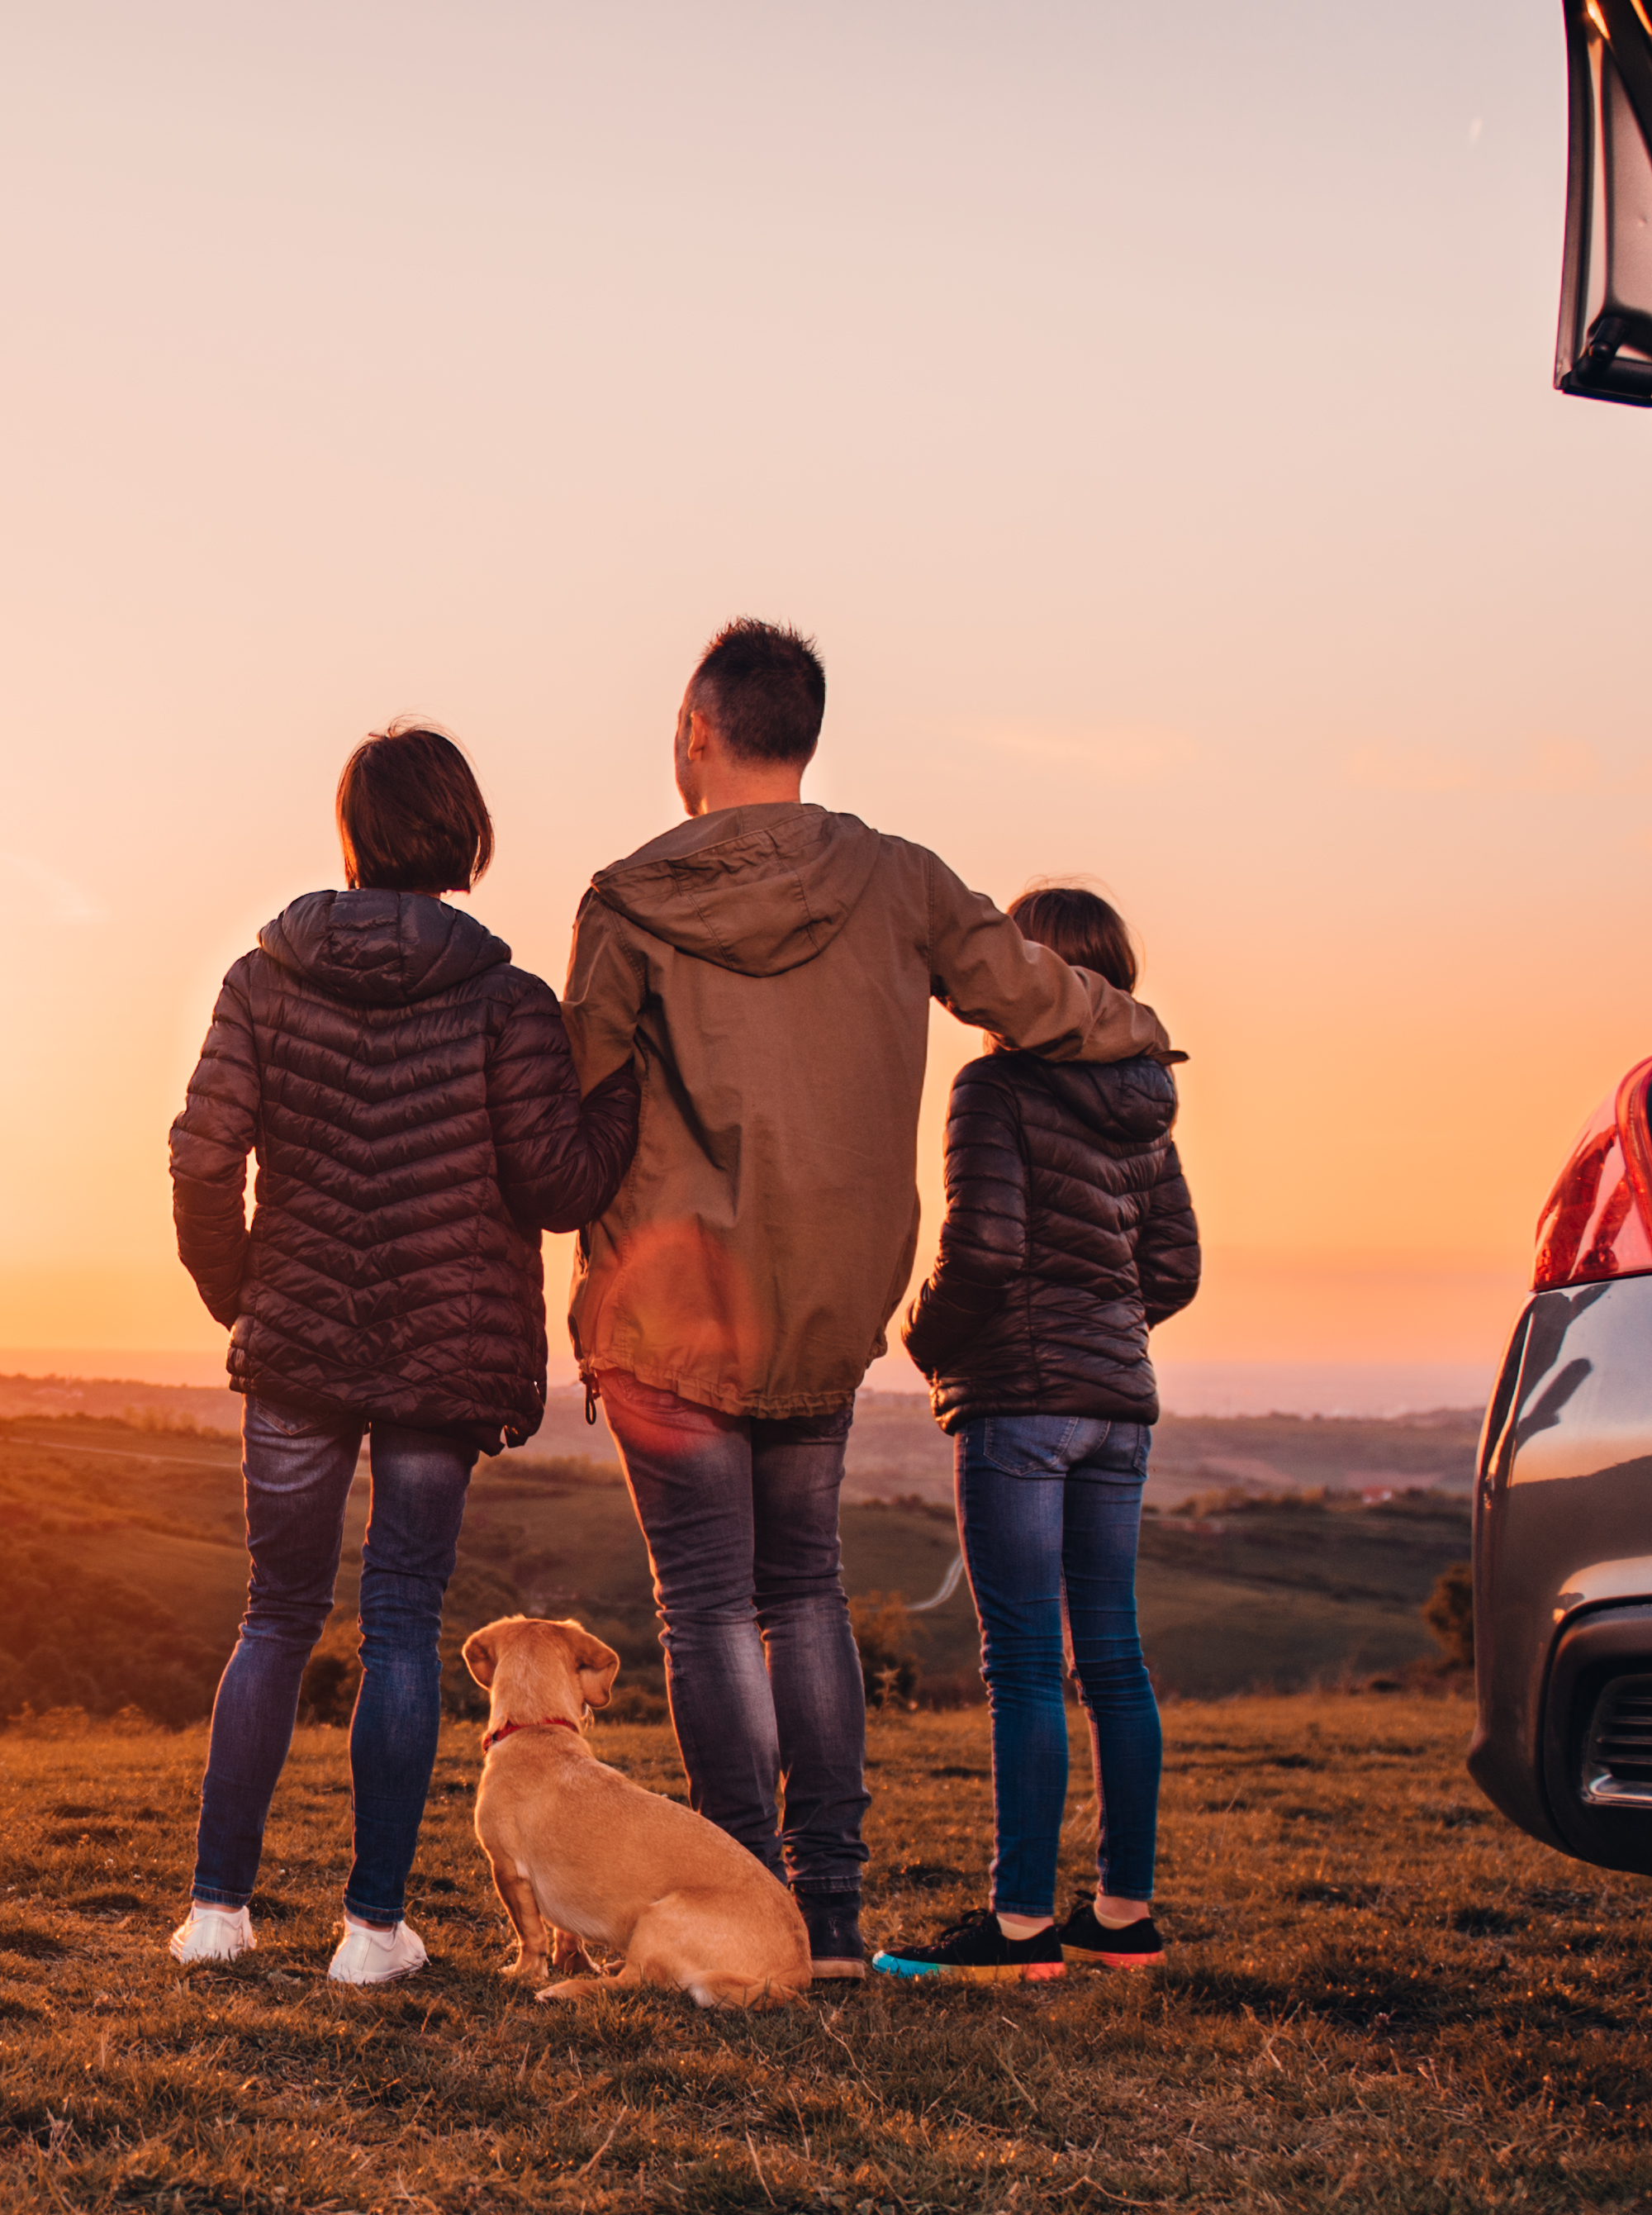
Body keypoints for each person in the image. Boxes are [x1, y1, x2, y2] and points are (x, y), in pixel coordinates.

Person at [560, 620, 1170, 1979]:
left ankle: (743, 1900)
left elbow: (576, 1114)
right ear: (807, 732)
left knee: (709, 1608)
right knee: (805, 1593)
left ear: (696, 731)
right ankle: (830, 1918)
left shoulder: (629, 901)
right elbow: (1036, 997)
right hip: (832, 1306)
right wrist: (1141, 1033)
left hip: (670, 1314)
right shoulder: (903, 881)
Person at [165, 722, 643, 1984]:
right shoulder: (507, 1001)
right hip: (444, 1354)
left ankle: (217, 1913)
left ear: (352, 833)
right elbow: (558, 1184)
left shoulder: (262, 979)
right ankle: (374, 1931)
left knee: (275, 1612)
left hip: (297, 1346)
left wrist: (245, 1295)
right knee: (401, 1623)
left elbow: (203, 1157)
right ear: (465, 835)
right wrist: (624, 1090)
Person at [871, 885, 1199, 1980]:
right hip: (1119, 1405)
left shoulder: (996, 1088)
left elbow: (985, 1248)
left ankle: (1018, 1930)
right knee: (1113, 1657)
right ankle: (1124, 1916)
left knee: (1021, 1664)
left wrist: (922, 1338)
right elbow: (1175, 1267)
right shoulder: (1147, 1100)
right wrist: (1102, 1329)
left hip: (1019, 1402)